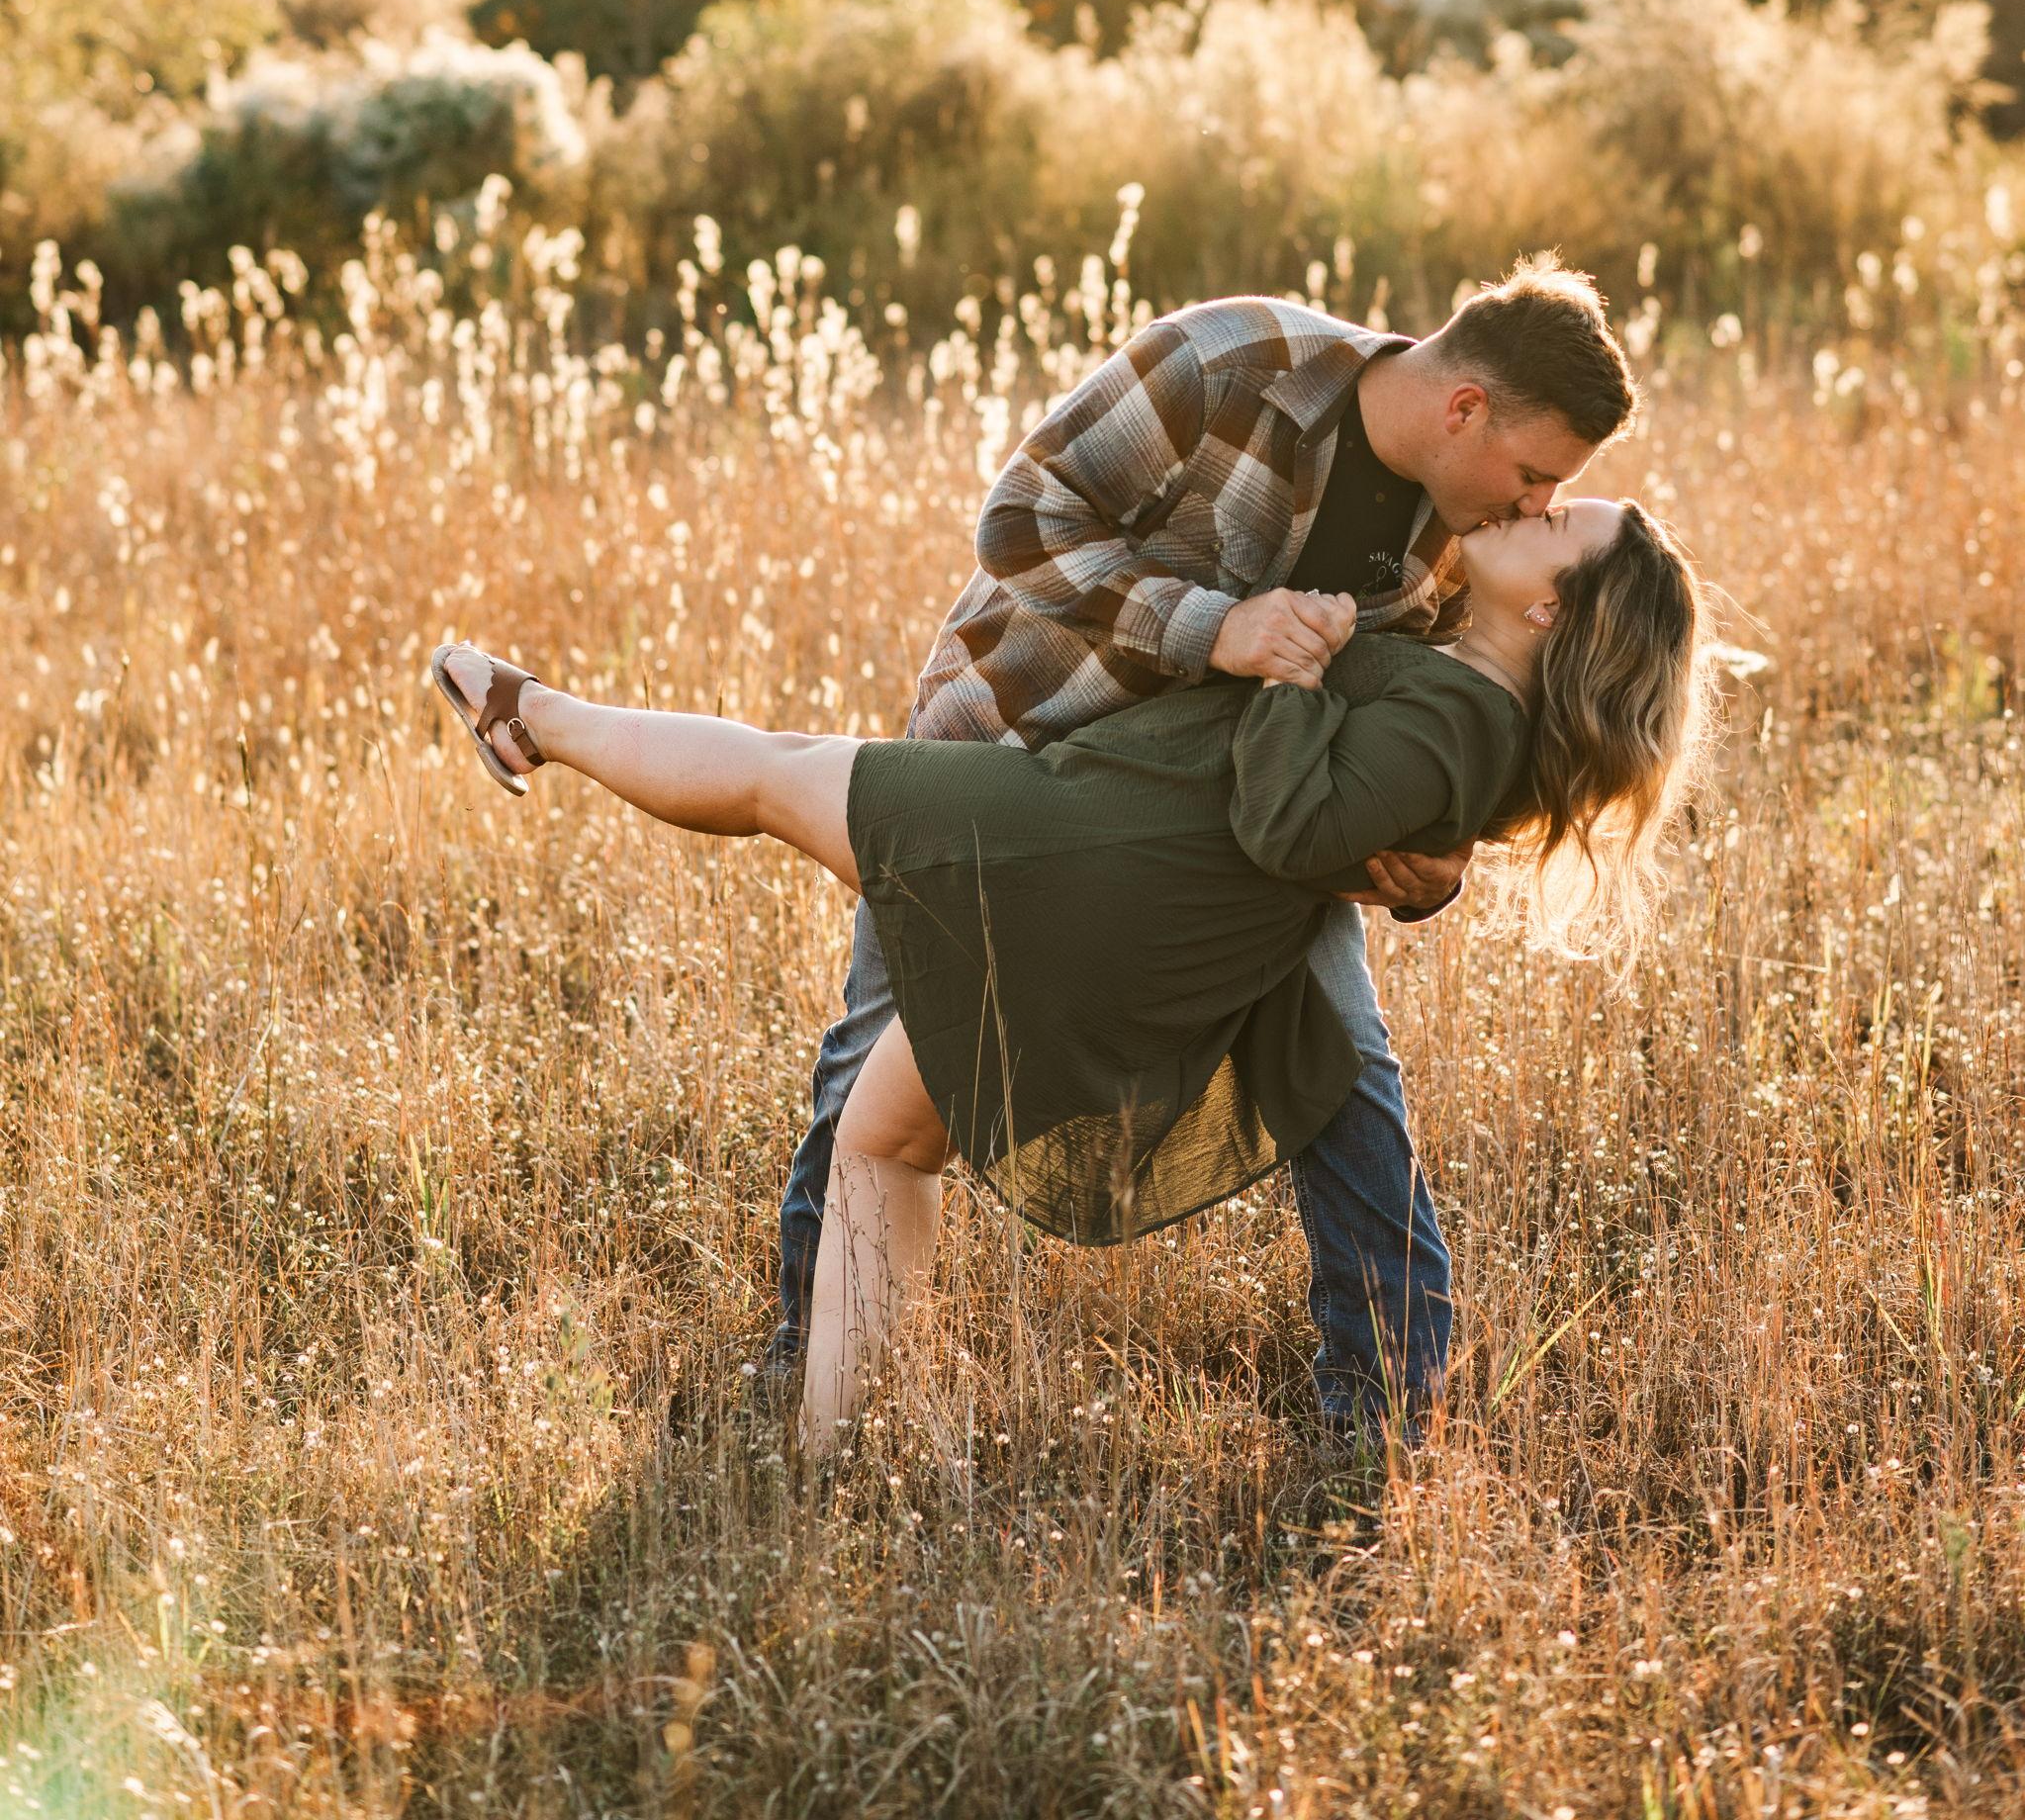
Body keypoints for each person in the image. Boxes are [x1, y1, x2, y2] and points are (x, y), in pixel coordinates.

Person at [431, 491, 1712, 1454]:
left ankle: (532, 718)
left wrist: (1291, 671)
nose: (1535, 503)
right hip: (1102, 867)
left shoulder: (1459, 719)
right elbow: (1355, 837)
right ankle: (827, 1449)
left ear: (1548, 610)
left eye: (1560, 522)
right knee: (886, 1136)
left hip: (1074, 859)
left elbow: (1288, 829)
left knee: (777, 781)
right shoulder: (1468, 709)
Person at [780, 254, 1642, 1446]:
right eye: (1533, 471)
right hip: (1017, 753)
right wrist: (1217, 627)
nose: (1528, 504)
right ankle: (802, 1361)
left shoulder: (1469, 535)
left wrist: (1440, 862)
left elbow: (1451, 718)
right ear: (1462, 408)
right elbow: (1020, 525)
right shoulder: (1229, 362)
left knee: (1346, 1069)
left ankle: (1382, 1407)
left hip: (1248, 831)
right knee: (877, 1045)